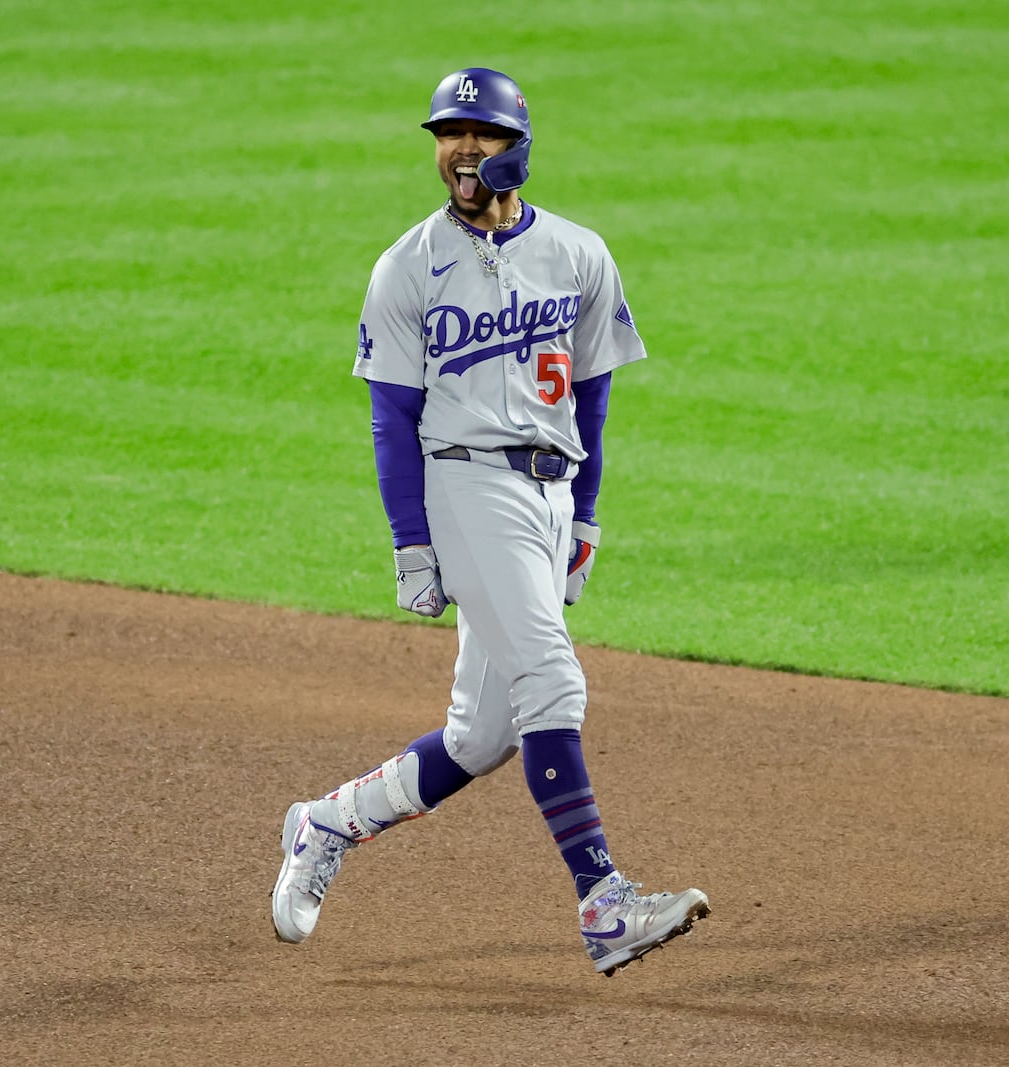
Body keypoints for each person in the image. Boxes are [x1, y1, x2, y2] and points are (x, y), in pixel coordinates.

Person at [270, 67, 710, 976]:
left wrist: (585, 517)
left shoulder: (581, 255)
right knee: (555, 679)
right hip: (464, 488)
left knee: (482, 734)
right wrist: (412, 541)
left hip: (550, 498)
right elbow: (391, 416)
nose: (460, 148)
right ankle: (604, 903)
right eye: (446, 133)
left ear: (519, 146)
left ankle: (326, 823)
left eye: (479, 132)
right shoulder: (406, 267)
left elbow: (594, 398)